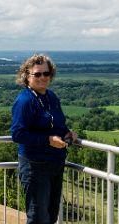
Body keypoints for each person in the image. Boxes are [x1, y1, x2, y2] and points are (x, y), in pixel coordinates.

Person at [11, 53, 77, 224]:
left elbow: (57, 125)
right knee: (39, 218)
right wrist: (47, 140)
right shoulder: (25, 101)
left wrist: (68, 133)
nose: (42, 78)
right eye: (37, 74)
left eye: (46, 74)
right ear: (27, 76)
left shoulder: (51, 97)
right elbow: (17, 134)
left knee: (51, 215)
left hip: (55, 163)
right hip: (35, 166)